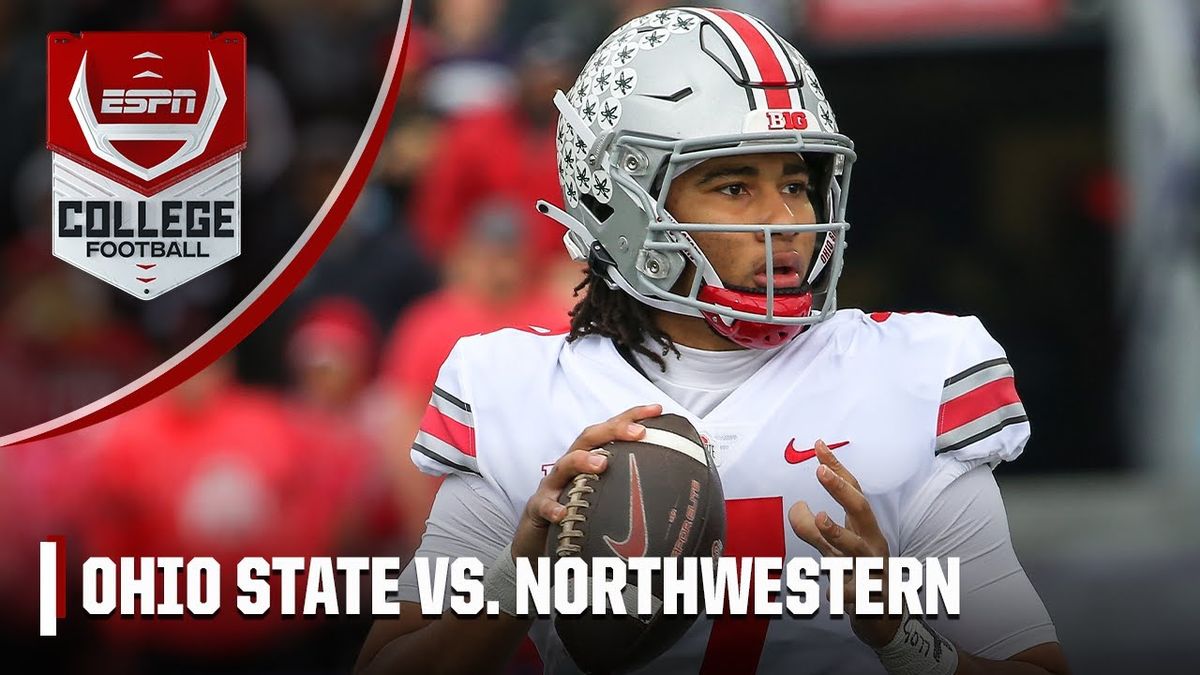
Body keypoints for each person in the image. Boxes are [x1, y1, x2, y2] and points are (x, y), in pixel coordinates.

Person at [357, 8, 1067, 675]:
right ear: (624, 205)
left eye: (796, 180)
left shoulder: (910, 375)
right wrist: (518, 585)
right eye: (734, 187)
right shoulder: (515, 386)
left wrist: (900, 634)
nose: (787, 218)